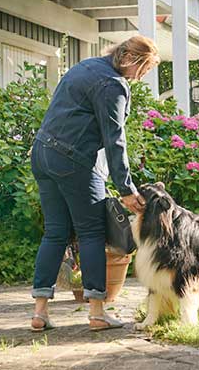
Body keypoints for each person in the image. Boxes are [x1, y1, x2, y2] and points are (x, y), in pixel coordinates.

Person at [29, 36, 159, 332]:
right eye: (146, 68)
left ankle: (40, 312)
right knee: (92, 233)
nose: (143, 76)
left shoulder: (84, 67)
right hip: (72, 160)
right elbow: (115, 140)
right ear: (133, 60)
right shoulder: (113, 84)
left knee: (55, 233)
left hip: (41, 154)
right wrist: (126, 190)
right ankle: (98, 313)